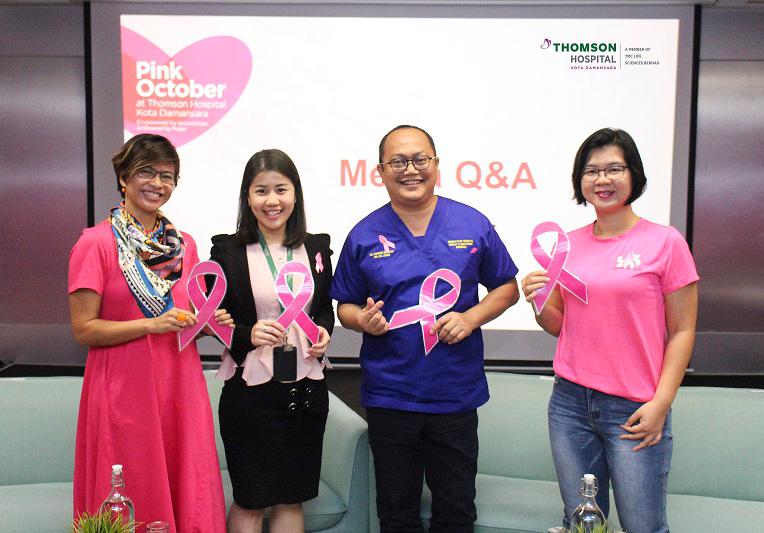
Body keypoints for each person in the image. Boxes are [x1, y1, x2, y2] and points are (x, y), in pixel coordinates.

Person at [331, 125, 519, 533]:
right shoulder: (363, 235)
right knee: (396, 514)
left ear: (436, 164)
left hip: (453, 394)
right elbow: (343, 305)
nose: (410, 170)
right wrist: (361, 321)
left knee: (455, 511)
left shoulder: (472, 223)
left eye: (420, 159)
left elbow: (507, 287)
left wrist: (471, 318)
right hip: (390, 396)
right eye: (398, 162)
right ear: (380, 171)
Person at [522, 128, 698, 533]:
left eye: (614, 169)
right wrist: (538, 301)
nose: (602, 180)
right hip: (569, 405)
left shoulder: (665, 243)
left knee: (643, 526)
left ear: (633, 174)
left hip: (635, 409)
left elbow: (683, 331)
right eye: (592, 171)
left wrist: (661, 404)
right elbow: (561, 327)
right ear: (580, 181)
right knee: (583, 523)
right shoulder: (568, 244)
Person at [69, 133, 228, 530]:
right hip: (123, 388)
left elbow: (184, 317)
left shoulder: (185, 246)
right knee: (131, 487)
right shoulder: (95, 243)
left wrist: (209, 325)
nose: (158, 183)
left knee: (188, 485)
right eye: (146, 172)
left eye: (168, 176)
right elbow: (84, 329)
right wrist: (150, 325)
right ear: (123, 177)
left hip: (180, 384)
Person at [210, 149, 334, 533]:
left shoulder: (316, 247)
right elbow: (214, 322)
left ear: (295, 194)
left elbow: (324, 309)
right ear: (247, 197)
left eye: (281, 189)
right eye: (261, 191)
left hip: (306, 389)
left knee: (291, 497)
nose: (272, 200)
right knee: (250, 499)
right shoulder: (227, 250)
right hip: (250, 390)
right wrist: (248, 333)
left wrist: (325, 332)